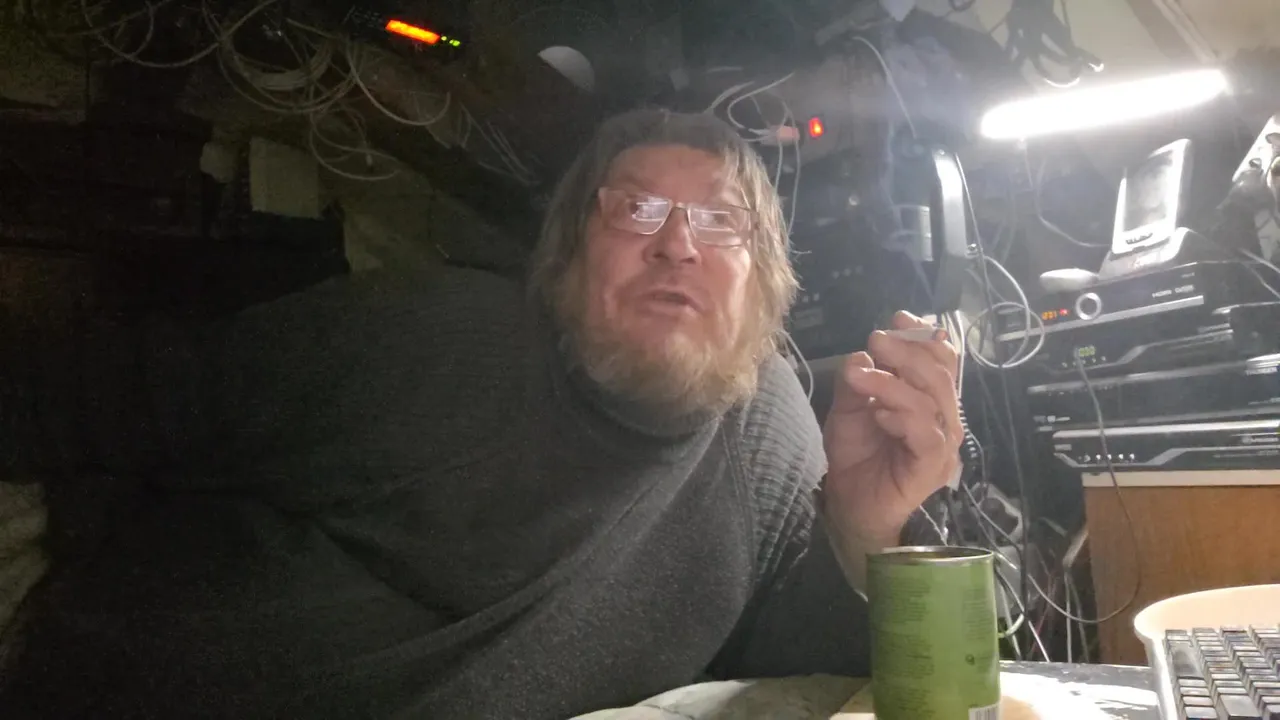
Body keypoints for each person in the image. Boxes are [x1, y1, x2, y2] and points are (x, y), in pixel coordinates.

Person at [0, 108, 961, 718]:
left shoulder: (771, 436)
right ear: (565, 258)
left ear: (766, 284)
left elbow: (783, 678)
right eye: (633, 210)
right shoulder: (426, 334)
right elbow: (80, 394)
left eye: (720, 221)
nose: (677, 247)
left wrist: (859, 531)